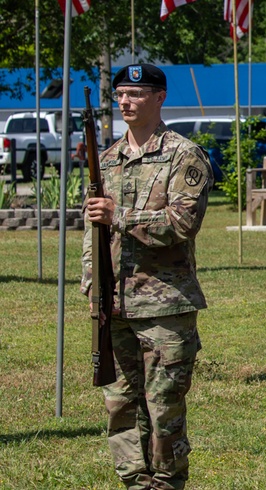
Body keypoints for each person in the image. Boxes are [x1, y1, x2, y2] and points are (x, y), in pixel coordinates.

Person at [81, 64, 213, 490]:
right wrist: (91, 282)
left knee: (164, 409)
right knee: (119, 404)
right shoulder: (108, 159)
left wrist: (119, 216)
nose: (125, 102)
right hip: (115, 302)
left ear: (160, 98)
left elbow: (181, 223)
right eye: (121, 94)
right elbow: (92, 231)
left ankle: (167, 482)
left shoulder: (183, 155)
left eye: (136, 94)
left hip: (164, 305)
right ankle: (134, 482)